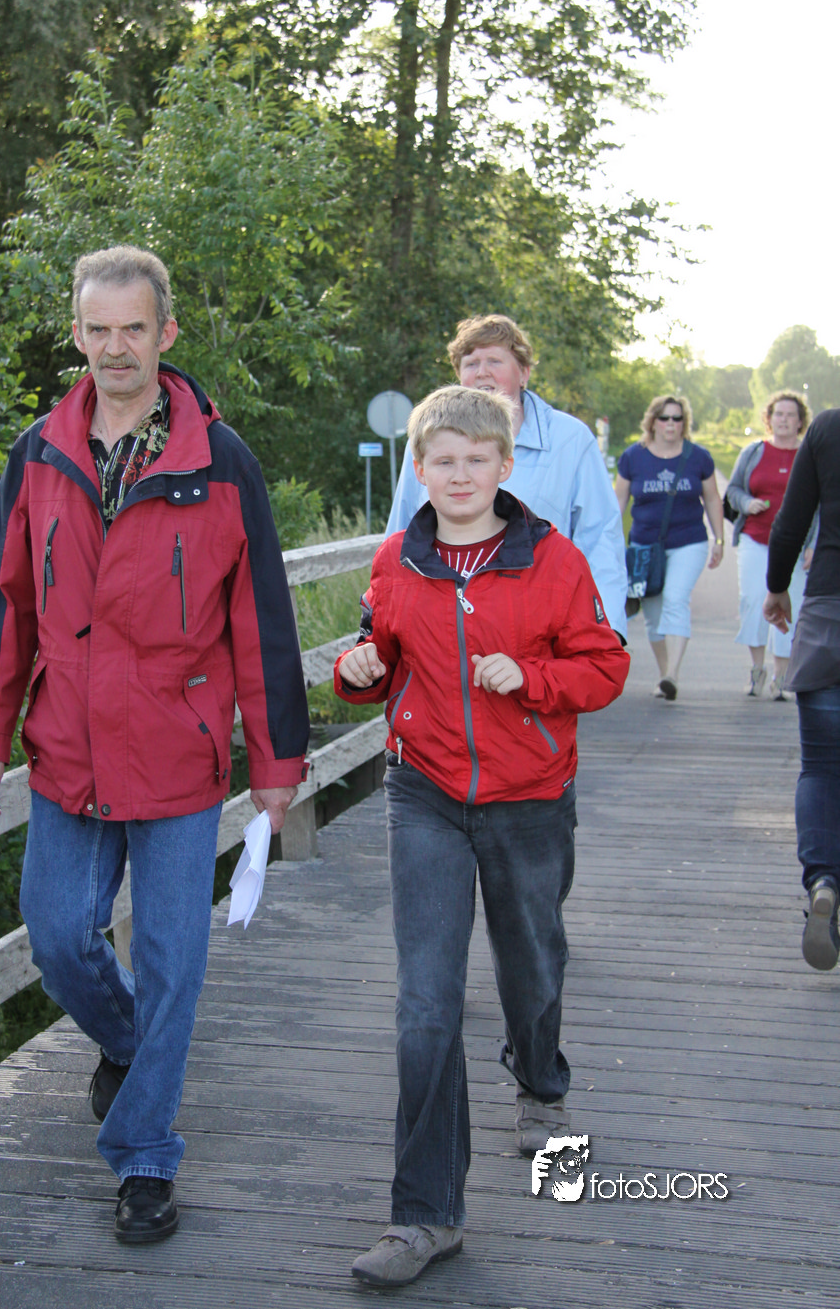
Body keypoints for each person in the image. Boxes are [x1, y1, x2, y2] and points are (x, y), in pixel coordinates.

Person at [0, 246, 309, 1243]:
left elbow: (262, 622)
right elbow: (3, 607)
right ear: (77, 334)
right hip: (67, 747)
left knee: (171, 959)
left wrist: (276, 765)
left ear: (165, 334)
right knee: (58, 932)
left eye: (134, 328)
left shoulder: (219, 461)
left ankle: (145, 1154)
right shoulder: (38, 454)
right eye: (98, 329)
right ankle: (126, 1042)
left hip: (178, 750)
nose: (116, 347)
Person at [335, 385, 629, 1287]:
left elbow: (605, 665)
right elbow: (375, 655)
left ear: (505, 466)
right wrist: (358, 668)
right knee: (425, 1002)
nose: (460, 475)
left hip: (529, 794)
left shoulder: (553, 560)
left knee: (531, 968)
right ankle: (426, 1214)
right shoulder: (398, 557)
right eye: (443, 460)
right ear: (420, 470)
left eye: (476, 459)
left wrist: (532, 677)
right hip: (423, 790)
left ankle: (539, 1080)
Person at [386, 314, 628, 641]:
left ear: (523, 373)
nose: (482, 371)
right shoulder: (427, 438)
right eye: (471, 363)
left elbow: (601, 537)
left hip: (542, 624)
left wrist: (608, 628)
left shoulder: (571, 439)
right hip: (442, 625)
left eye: (494, 361)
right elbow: (402, 529)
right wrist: (383, 622)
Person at [763, 406, 840, 971]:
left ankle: (823, 880)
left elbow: (791, 520)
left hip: (828, 612)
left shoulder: (828, 428)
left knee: (820, 766)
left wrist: (777, 586)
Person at [615, 394, 724, 700]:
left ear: (684, 423)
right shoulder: (633, 457)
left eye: (678, 418)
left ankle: (672, 673)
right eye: (665, 418)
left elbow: (712, 498)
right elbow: (618, 502)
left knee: (675, 598)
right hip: (645, 547)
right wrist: (610, 544)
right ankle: (665, 675)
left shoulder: (698, 457)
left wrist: (719, 539)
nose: (671, 424)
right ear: (653, 422)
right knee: (653, 614)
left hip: (688, 541)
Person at [726, 390, 815, 699]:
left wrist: (813, 543)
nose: (784, 420)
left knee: (792, 605)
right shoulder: (753, 452)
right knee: (752, 600)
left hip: (796, 546)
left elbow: (821, 503)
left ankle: (781, 675)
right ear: (769, 418)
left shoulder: (809, 455)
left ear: (800, 421)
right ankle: (756, 670)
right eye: (779, 414)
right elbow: (733, 490)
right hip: (755, 538)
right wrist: (746, 503)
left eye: (791, 415)